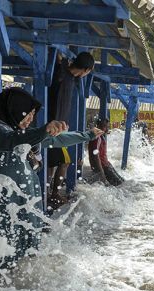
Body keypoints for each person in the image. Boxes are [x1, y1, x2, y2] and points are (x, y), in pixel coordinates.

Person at [0, 87, 102, 265]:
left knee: (24, 262)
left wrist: (87, 135)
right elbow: (10, 140)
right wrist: (43, 130)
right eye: (28, 113)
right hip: (0, 211)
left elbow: (57, 140)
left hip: (22, 210)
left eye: (33, 115)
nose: (30, 119)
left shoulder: (20, 132)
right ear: (16, 108)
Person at [46, 51, 95, 207]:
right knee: (64, 161)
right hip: (54, 127)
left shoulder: (68, 76)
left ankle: (49, 193)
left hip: (58, 127)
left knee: (53, 162)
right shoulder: (62, 74)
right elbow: (58, 58)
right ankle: (53, 194)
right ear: (86, 70)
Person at [87, 118, 124, 186]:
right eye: (104, 126)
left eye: (107, 126)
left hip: (106, 165)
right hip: (104, 167)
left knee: (121, 183)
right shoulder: (97, 138)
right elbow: (96, 156)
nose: (107, 129)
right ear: (98, 126)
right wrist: (101, 172)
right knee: (120, 185)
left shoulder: (100, 136)